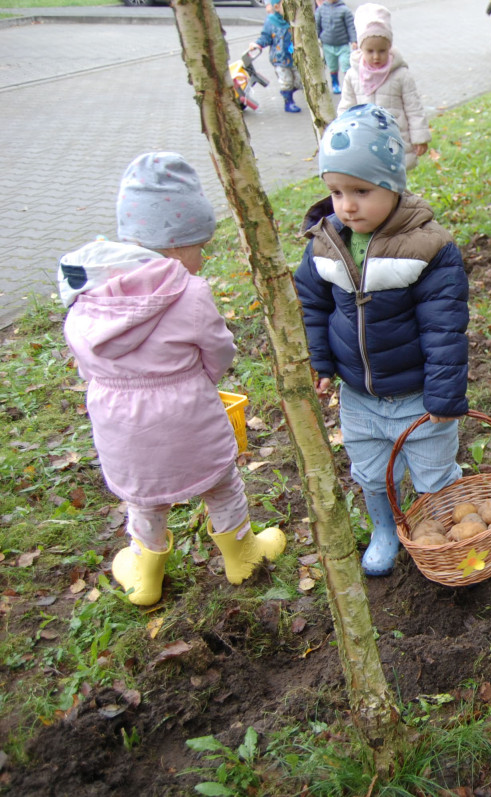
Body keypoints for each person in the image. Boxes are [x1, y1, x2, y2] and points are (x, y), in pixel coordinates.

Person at [58, 153, 286, 606]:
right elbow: (218, 351)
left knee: (144, 500)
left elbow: (84, 359)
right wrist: (198, 379)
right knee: (222, 485)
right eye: (200, 246)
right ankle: (242, 555)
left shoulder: (88, 296)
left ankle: (145, 574)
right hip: (188, 417)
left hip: (122, 426)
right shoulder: (190, 292)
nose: (201, 258)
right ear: (176, 245)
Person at [294, 105, 469, 578]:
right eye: (335, 192)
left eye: (361, 191)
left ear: (393, 186)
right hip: (359, 395)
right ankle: (385, 529)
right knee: (372, 472)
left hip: (418, 396)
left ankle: (441, 529)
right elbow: (312, 306)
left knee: (433, 471)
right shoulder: (325, 245)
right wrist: (322, 363)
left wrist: (444, 396)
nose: (346, 205)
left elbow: (444, 328)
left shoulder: (429, 248)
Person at [338, 4, 431, 173]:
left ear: (389, 48)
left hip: (396, 141)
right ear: (360, 49)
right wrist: (342, 135)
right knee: (372, 183)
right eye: (370, 50)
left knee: (396, 184)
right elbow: (346, 107)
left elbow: (413, 107)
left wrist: (419, 138)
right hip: (364, 141)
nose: (376, 56)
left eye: (382, 50)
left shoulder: (401, 74)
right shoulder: (353, 75)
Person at [248, 0, 303, 113]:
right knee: (286, 81)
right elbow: (266, 37)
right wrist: (257, 44)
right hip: (280, 58)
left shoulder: (295, 20)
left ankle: (286, 93)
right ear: (277, 7)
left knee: (300, 81)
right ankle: (289, 102)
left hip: (295, 57)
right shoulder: (271, 21)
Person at [316, 0, 357, 95]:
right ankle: (335, 83)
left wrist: (353, 40)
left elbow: (350, 26)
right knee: (332, 66)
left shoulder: (344, 10)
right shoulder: (321, 10)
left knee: (346, 64)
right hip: (328, 45)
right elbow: (317, 26)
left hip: (343, 44)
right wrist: (315, 38)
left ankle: (349, 85)